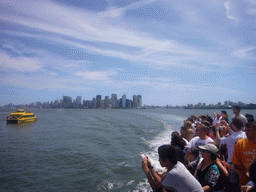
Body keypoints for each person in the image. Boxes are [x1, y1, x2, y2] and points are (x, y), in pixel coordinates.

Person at [215, 117, 247, 192]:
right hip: (243, 161)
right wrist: (227, 125)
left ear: (234, 126)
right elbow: (235, 133)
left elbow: (218, 141)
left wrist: (216, 129)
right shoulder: (244, 134)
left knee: (232, 184)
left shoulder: (231, 138)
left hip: (233, 163)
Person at [232, 122, 256, 186]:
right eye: (245, 130)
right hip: (244, 181)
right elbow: (236, 163)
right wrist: (246, 173)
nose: (246, 132)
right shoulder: (240, 143)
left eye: (249, 130)